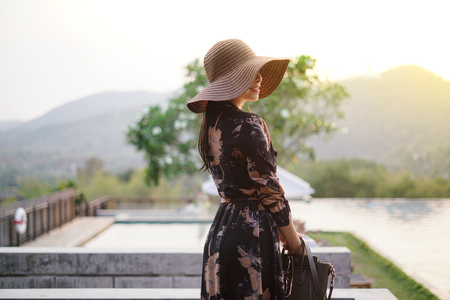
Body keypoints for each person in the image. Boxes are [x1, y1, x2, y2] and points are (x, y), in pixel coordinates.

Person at [187, 39, 303, 300]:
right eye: (251, 72)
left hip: (219, 233)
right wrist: (295, 245)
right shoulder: (250, 123)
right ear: (232, 80)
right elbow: (270, 192)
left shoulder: (210, 128)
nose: (260, 77)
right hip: (252, 239)